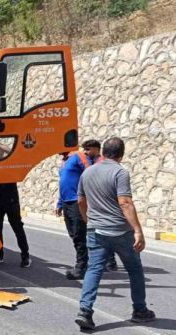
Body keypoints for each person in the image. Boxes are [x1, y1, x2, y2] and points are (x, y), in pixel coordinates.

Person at [74, 137, 156, 330]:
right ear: (122, 154)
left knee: (94, 270)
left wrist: (88, 220)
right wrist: (138, 230)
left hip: (96, 230)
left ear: (102, 152)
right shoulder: (120, 172)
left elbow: (80, 201)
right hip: (120, 231)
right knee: (134, 270)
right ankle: (140, 310)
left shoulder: (87, 172)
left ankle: (85, 311)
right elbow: (125, 202)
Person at [57, 140, 117, 280]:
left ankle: (81, 267)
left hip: (78, 201)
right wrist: (59, 203)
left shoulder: (78, 156)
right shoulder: (64, 161)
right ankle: (98, 260)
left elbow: (91, 171)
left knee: (79, 235)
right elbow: (63, 183)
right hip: (67, 203)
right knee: (74, 235)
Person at [0, 145, 31, 268]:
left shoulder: (10, 163)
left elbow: (19, 155)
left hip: (11, 201)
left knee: (17, 228)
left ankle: (25, 255)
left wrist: (2, 148)